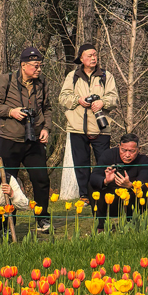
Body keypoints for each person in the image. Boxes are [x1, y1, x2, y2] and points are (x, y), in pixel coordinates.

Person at [0, 46, 52, 232]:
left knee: (41, 179)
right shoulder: (6, 80)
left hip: (34, 140)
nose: (39, 69)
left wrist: (46, 128)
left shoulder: (42, 82)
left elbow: (47, 108)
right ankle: (9, 222)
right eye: (35, 66)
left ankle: (42, 218)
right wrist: (10, 111)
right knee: (7, 181)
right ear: (23, 66)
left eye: (40, 66)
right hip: (9, 138)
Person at [59, 43, 119, 202]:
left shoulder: (106, 76)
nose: (93, 58)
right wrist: (78, 100)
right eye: (89, 56)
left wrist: (102, 103)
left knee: (104, 163)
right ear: (81, 58)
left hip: (101, 127)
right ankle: (85, 195)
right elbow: (63, 98)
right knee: (81, 164)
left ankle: (103, 193)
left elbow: (114, 99)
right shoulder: (72, 76)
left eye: (95, 55)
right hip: (77, 127)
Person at [90, 133, 148, 231]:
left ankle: (131, 223)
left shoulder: (143, 160)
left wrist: (130, 185)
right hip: (111, 201)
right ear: (119, 147)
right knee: (93, 185)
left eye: (132, 151)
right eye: (124, 150)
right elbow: (94, 176)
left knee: (147, 189)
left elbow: (144, 180)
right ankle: (100, 226)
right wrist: (105, 181)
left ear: (138, 149)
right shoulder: (108, 155)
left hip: (130, 202)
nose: (127, 155)